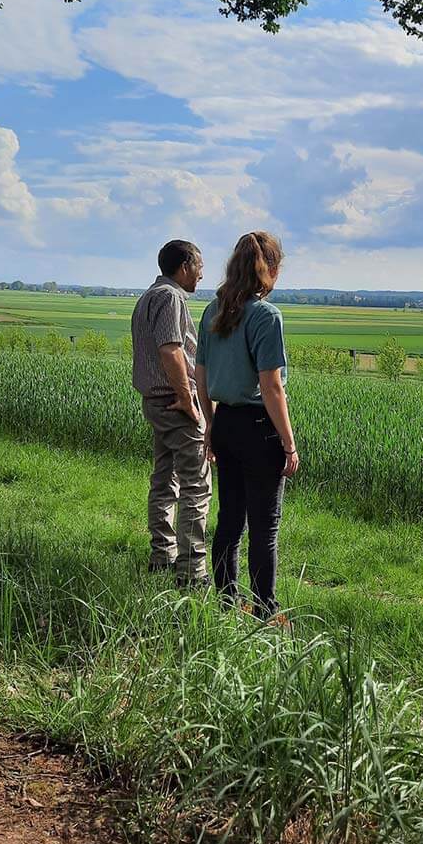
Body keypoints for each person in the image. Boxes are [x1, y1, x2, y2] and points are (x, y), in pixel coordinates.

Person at [195, 231, 299, 618]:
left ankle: (225, 602)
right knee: (264, 526)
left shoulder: (213, 310)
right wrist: (288, 443)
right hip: (259, 428)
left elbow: (199, 375)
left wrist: (209, 425)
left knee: (230, 519)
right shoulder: (265, 315)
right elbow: (272, 386)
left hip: (225, 424)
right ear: (269, 269)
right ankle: (265, 611)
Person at [130, 240, 211, 586]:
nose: (202, 273)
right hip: (174, 402)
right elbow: (171, 350)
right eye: (199, 265)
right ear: (184, 266)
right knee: (196, 484)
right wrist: (188, 399)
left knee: (165, 479)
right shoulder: (172, 297)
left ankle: (163, 555)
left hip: (155, 402)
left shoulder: (150, 294)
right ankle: (192, 573)